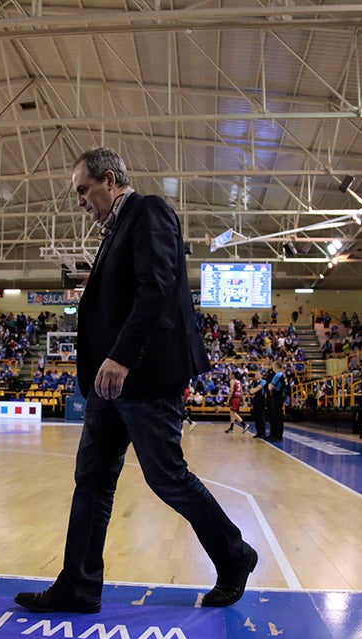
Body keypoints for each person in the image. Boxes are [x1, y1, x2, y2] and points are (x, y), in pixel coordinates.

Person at [15, 147, 257, 614]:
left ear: (110, 179)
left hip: (143, 375)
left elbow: (159, 285)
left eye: (83, 190)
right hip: (111, 383)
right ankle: (78, 586)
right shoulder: (112, 230)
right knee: (91, 479)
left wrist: (123, 357)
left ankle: (236, 556)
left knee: (166, 477)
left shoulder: (148, 210)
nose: (80, 201)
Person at [266, 361, 286, 441]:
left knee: (276, 416)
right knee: (277, 416)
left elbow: (270, 387)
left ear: (277, 366)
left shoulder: (278, 375)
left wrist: (270, 386)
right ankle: (275, 434)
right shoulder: (281, 375)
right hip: (278, 396)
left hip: (277, 397)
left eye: (273, 366)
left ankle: (276, 435)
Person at [248, 369, 267, 438]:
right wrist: (253, 390)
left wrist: (254, 390)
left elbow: (256, 389)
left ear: (261, 375)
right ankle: (258, 432)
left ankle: (263, 433)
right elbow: (250, 391)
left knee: (261, 417)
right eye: (255, 374)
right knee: (256, 417)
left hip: (261, 401)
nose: (256, 376)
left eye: (257, 374)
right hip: (255, 401)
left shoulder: (263, 381)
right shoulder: (254, 382)